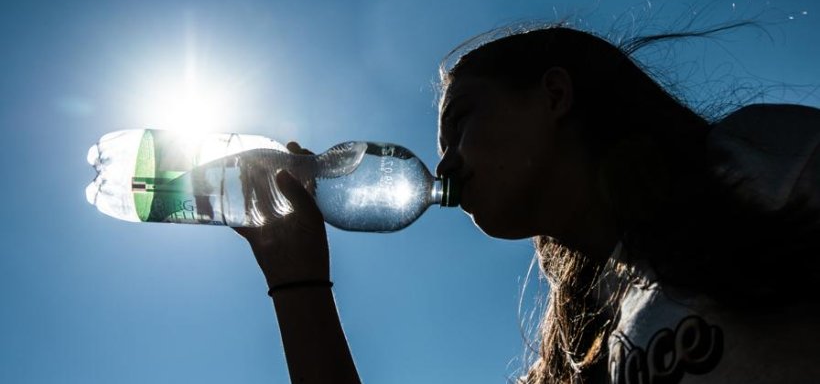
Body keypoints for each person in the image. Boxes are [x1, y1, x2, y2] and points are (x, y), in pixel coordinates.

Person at [233, 24, 820, 384]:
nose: (443, 167)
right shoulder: (597, 342)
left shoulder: (762, 160)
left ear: (555, 95)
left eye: (460, 123)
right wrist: (299, 284)